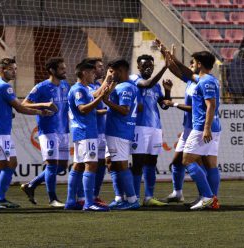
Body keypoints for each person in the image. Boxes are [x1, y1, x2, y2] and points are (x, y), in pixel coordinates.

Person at [0, 58, 53, 210]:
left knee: (11, 162)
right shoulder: (5, 87)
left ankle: (0, 198)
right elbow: (20, 108)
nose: (14, 72)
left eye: (16, 69)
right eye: (12, 69)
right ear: (2, 70)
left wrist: (1, 112)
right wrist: (41, 112)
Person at [158, 40, 221, 210]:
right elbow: (180, 70)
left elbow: (211, 106)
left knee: (186, 160)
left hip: (201, 127)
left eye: (192, 61)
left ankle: (207, 196)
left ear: (199, 64)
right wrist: (168, 55)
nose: (190, 65)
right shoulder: (202, 79)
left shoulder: (206, 81)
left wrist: (206, 128)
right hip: (209, 126)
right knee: (210, 164)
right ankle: (212, 200)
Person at [20, 57, 70, 208]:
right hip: (48, 131)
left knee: (61, 166)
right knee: (52, 165)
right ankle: (52, 199)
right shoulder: (41, 87)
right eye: (61, 68)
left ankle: (31, 185)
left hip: (64, 131)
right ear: (52, 70)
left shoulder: (65, 86)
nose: (65, 70)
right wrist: (43, 105)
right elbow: (24, 104)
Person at [65, 61, 110, 211]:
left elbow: (94, 97)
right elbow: (83, 109)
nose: (94, 75)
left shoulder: (82, 89)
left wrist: (107, 83)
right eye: (92, 72)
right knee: (91, 165)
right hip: (86, 132)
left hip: (81, 132)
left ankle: (71, 201)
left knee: (78, 165)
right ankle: (89, 203)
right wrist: (100, 98)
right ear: (84, 73)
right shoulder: (79, 89)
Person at [129, 54, 172, 207]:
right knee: (138, 163)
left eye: (151, 65)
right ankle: (133, 198)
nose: (148, 67)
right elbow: (146, 84)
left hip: (155, 127)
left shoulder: (157, 86)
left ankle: (149, 197)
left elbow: (164, 105)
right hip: (139, 127)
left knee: (152, 162)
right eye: (145, 65)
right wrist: (165, 67)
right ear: (138, 66)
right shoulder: (134, 79)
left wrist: (167, 91)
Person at [104, 58, 140, 210]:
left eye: (113, 71)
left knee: (122, 165)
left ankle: (132, 200)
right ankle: (120, 198)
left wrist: (106, 101)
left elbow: (125, 110)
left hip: (119, 130)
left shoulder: (125, 87)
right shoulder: (127, 86)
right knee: (114, 164)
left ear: (121, 71)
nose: (111, 75)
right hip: (117, 130)